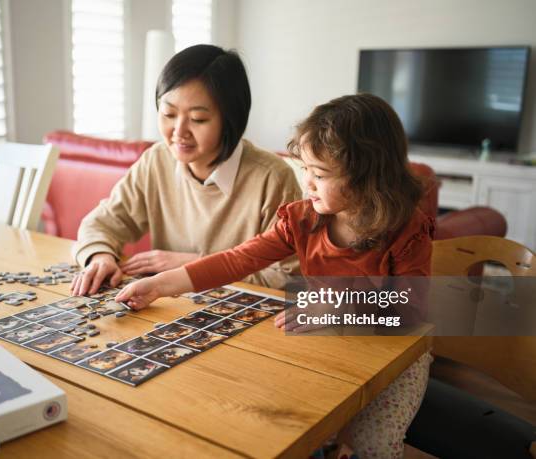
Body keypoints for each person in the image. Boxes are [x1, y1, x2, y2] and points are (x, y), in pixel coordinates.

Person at [115, 93, 434, 458]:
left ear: (367, 175)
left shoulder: (408, 230)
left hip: (397, 353)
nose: (308, 184)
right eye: (305, 171)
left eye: (320, 174)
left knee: (373, 444)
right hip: (327, 340)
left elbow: (410, 312)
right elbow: (237, 260)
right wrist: (160, 284)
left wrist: (338, 308)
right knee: (292, 424)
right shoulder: (302, 217)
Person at [71, 44, 301, 296]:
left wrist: (192, 267)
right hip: (165, 311)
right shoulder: (157, 160)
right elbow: (102, 223)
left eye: (198, 119)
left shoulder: (272, 177)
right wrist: (99, 256)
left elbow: (288, 278)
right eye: (168, 113)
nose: (178, 131)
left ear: (230, 119)